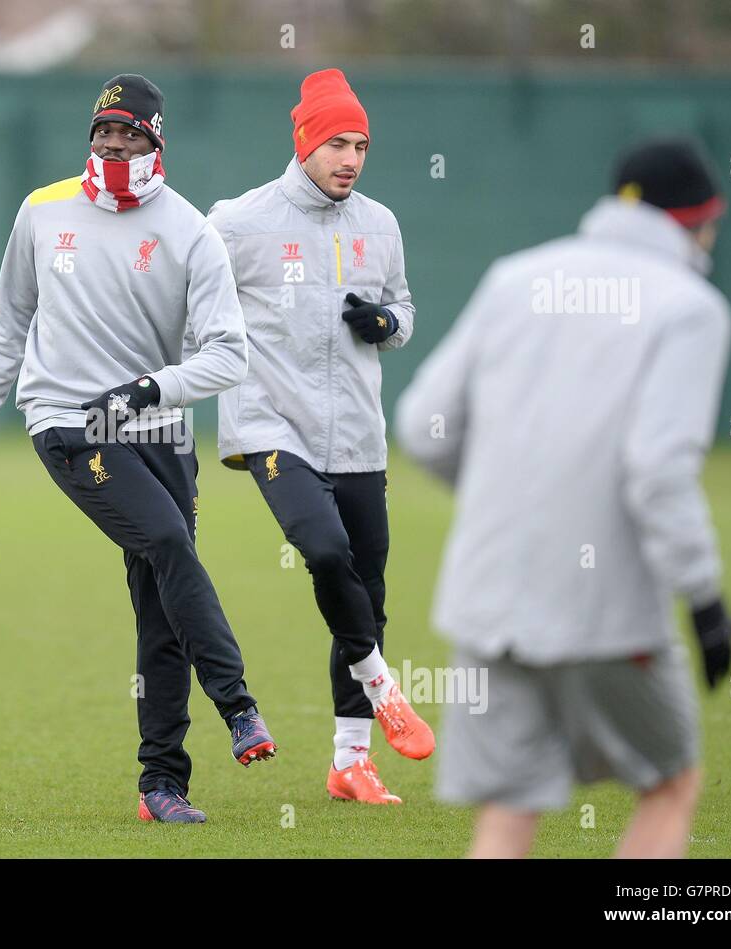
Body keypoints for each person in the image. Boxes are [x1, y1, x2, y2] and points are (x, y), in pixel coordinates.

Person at [395, 137, 731, 858]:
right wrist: (704, 597)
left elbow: (423, 426)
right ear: (699, 219)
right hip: (606, 611)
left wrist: (505, 497)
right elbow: (658, 470)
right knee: (670, 784)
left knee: (510, 808)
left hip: (489, 595)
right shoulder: (692, 307)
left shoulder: (515, 277)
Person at [0, 74, 276, 824]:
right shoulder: (42, 211)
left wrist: (148, 392)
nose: (114, 144)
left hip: (158, 432)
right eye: (103, 132)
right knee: (166, 540)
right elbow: (9, 322)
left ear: (156, 140)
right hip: (69, 421)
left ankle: (162, 785)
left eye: (130, 133)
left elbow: (230, 355)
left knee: (163, 603)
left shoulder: (191, 231)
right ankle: (239, 705)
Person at [208, 68, 434, 806]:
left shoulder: (384, 222)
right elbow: (187, 299)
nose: (351, 158)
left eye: (362, 144)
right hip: (274, 425)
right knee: (324, 549)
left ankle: (351, 761)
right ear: (305, 140)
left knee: (366, 591)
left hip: (360, 436)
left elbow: (402, 307)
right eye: (337, 141)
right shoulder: (239, 222)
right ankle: (381, 681)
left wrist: (388, 324)